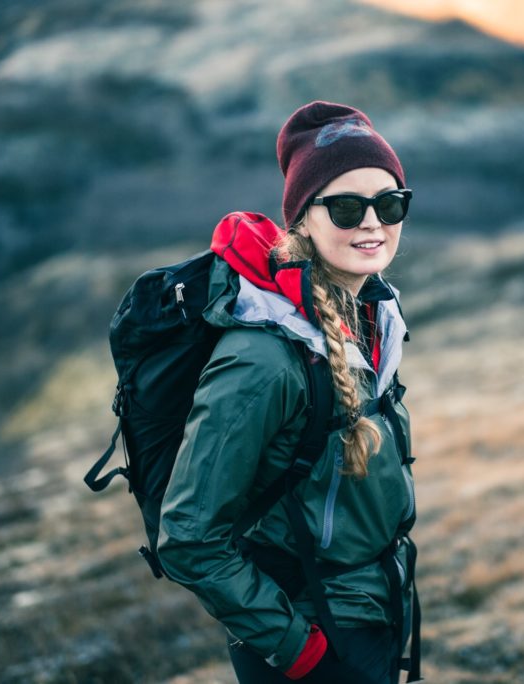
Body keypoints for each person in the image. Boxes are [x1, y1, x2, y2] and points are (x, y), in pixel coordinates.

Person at [157, 101, 420, 683]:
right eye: (347, 207)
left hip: (371, 610)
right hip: (312, 638)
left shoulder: (371, 316)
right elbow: (188, 537)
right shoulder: (264, 358)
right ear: (304, 218)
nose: (373, 222)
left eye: (390, 202)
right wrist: (298, 649)